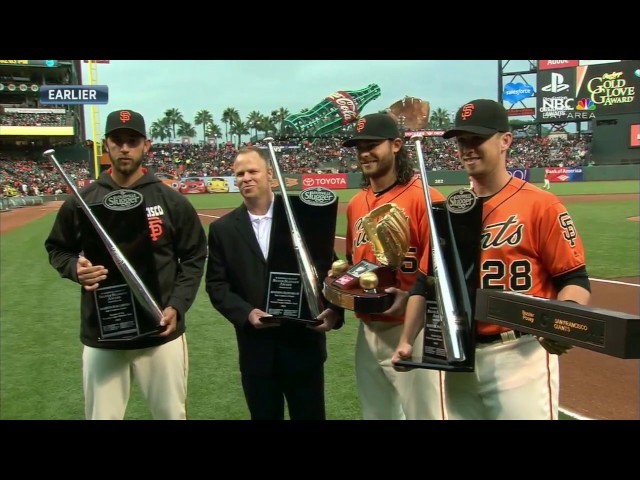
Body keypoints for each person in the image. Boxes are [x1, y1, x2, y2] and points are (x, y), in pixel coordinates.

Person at [392, 99, 591, 420]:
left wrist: (563, 319)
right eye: (462, 141)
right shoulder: (449, 212)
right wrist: (405, 340)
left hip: (520, 353)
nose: (468, 148)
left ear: (505, 141)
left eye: (477, 139)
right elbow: (424, 283)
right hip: (459, 353)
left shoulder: (542, 205)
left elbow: (574, 280)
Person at [44, 109, 207, 420]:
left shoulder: (171, 200)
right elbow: (57, 248)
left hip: (160, 331)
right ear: (106, 145)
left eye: (132, 141)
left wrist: (178, 304)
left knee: (171, 415)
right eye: (117, 141)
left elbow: (194, 255)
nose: (124, 148)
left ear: (146, 146)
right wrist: (74, 268)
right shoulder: (83, 201)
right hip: (103, 334)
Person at [205, 146, 344, 420]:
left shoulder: (301, 216)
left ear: (270, 174)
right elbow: (217, 286)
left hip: (304, 348)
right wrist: (246, 313)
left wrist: (334, 311)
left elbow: (331, 271)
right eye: (239, 173)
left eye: (252, 171)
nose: (245, 178)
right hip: (257, 354)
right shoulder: (222, 230)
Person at [340, 113, 447, 420]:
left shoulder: (426, 198)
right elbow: (355, 264)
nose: (364, 153)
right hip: (368, 329)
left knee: (427, 415)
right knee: (376, 415)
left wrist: (411, 296)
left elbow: (445, 272)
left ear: (397, 145)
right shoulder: (357, 203)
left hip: (415, 330)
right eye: (359, 146)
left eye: (373, 144)